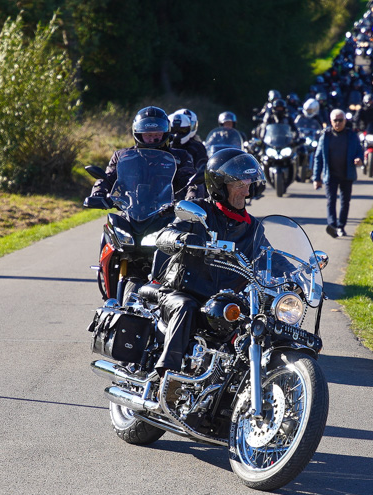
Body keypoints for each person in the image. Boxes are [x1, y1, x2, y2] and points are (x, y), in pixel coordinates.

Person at [153, 149, 266, 377]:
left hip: (223, 300)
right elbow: (164, 236)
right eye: (238, 184)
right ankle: (168, 373)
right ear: (219, 186)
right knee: (187, 307)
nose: (246, 190)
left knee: (260, 319)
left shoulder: (253, 227)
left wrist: (297, 274)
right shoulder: (200, 211)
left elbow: (268, 256)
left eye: (248, 183)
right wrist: (182, 239)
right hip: (184, 292)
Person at [89, 106, 198, 202]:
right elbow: (108, 177)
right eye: (148, 135)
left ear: (165, 133)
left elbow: (190, 180)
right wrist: (99, 192)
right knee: (112, 223)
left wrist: (192, 196)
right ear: (139, 134)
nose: (153, 139)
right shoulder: (123, 156)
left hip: (171, 213)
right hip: (131, 212)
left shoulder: (180, 157)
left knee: (192, 224)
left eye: (157, 134)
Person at [312, 108, 364, 238]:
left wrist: (359, 158)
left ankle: (341, 226)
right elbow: (318, 158)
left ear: (345, 121)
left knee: (345, 202)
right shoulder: (325, 136)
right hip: (331, 175)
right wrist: (316, 178)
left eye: (341, 120)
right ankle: (332, 226)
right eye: (335, 120)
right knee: (331, 201)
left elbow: (359, 150)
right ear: (331, 121)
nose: (338, 123)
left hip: (347, 174)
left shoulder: (352, 135)